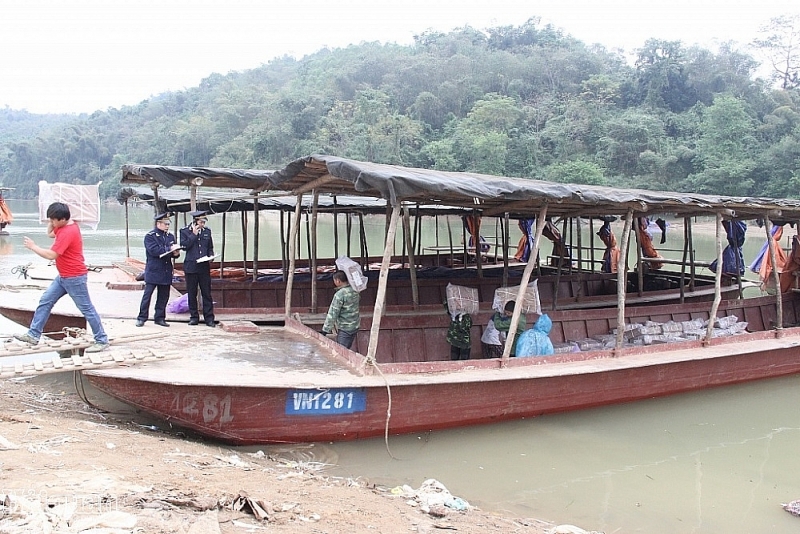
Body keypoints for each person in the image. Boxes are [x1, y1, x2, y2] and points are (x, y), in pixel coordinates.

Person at [13, 202, 109, 353]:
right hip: (63, 276)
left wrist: (33, 246)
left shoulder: (68, 232)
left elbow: (51, 255)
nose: (51, 223)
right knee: (45, 301)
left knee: (87, 309)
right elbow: (50, 233)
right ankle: (33, 334)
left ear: (62, 219)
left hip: (74, 277)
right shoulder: (66, 225)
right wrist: (50, 221)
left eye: (53, 220)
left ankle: (101, 339)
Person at [136, 212, 180, 327]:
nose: (167, 226)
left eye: (168, 224)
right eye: (165, 224)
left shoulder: (170, 236)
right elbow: (154, 251)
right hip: (154, 270)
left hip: (166, 270)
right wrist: (169, 248)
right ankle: (142, 317)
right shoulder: (150, 236)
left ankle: (159, 318)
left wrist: (175, 253)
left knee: (164, 296)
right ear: (158, 223)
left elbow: (173, 253)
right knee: (147, 295)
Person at [180, 210, 216, 327]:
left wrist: (211, 256)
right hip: (191, 267)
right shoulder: (185, 231)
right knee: (192, 293)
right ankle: (194, 317)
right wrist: (193, 235)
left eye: (204, 222)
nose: (203, 224)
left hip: (204, 267)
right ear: (195, 222)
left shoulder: (207, 231)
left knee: (206, 293)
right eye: (201, 222)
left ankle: (209, 318)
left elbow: (210, 247)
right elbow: (184, 246)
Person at [321, 270, 360, 349]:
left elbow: (333, 313)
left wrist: (325, 330)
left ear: (338, 281)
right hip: (355, 325)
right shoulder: (355, 290)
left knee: (341, 352)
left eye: (334, 280)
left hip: (345, 327)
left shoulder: (339, 295)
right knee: (347, 348)